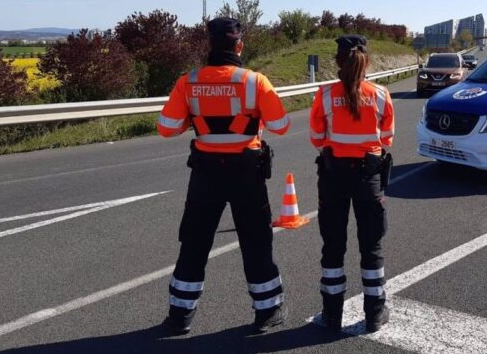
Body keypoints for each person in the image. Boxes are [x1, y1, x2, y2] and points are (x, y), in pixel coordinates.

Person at [156, 17, 290, 335]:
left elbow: (166, 128)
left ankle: (180, 315)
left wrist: (197, 118)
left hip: (206, 173)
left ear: (210, 45)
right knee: (256, 242)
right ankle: (267, 311)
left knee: (194, 242)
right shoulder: (255, 81)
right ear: (239, 45)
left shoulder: (187, 82)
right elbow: (281, 126)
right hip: (247, 173)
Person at [309, 35, 394, 333]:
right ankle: (374, 314)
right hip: (368, 177)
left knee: (333, 246)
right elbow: (386, 139)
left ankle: (332, 315)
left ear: (337, 61)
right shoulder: (381, 94)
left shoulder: (324, 95)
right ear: (366, 61)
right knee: (371, 246)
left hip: (333, 177)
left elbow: (317, 139)